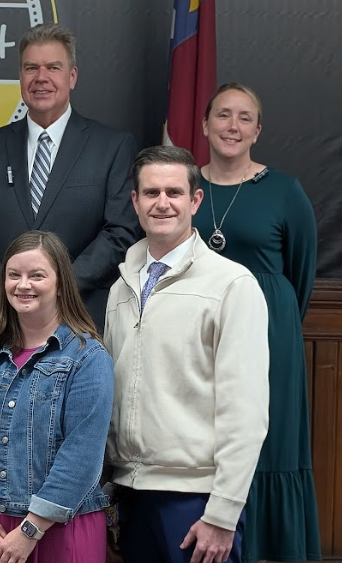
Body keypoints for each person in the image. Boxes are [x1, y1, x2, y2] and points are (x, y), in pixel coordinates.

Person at [104, 146, 269, 563]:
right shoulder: (120, 288)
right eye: (152, 192)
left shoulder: (232, 284)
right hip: (131, 493)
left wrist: (224, 510)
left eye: (175, 193)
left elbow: (245, 410)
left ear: (195, 201)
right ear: (135, 201)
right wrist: (108, 489)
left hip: (198, 500)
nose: (163, 203)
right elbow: (113, 391)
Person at [193, 83, 320, 562]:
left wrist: (276, 321)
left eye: (245, 118)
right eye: (223, 115)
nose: (233, 126)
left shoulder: (285, 191)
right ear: (204, 125)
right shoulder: (185, 184)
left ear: (258, 130)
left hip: (270, 333)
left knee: (268, 438)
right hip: (201, 332)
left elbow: (300, 274)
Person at [0, 23, 139, 345]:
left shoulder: (112, 147)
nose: (41, 78)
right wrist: (13, 291)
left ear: (72, 76)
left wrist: (57, 289)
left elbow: (120, 232)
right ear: (21, 77)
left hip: (79, 323)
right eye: (31, 68)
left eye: (53, 67)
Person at [0, 231, 114, 563]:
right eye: (14, 275)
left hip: (57, 527)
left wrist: (30, 530)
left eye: (37, 275)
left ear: (61, 284)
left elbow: (81, 458)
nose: (23, 285)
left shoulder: (87, 358)